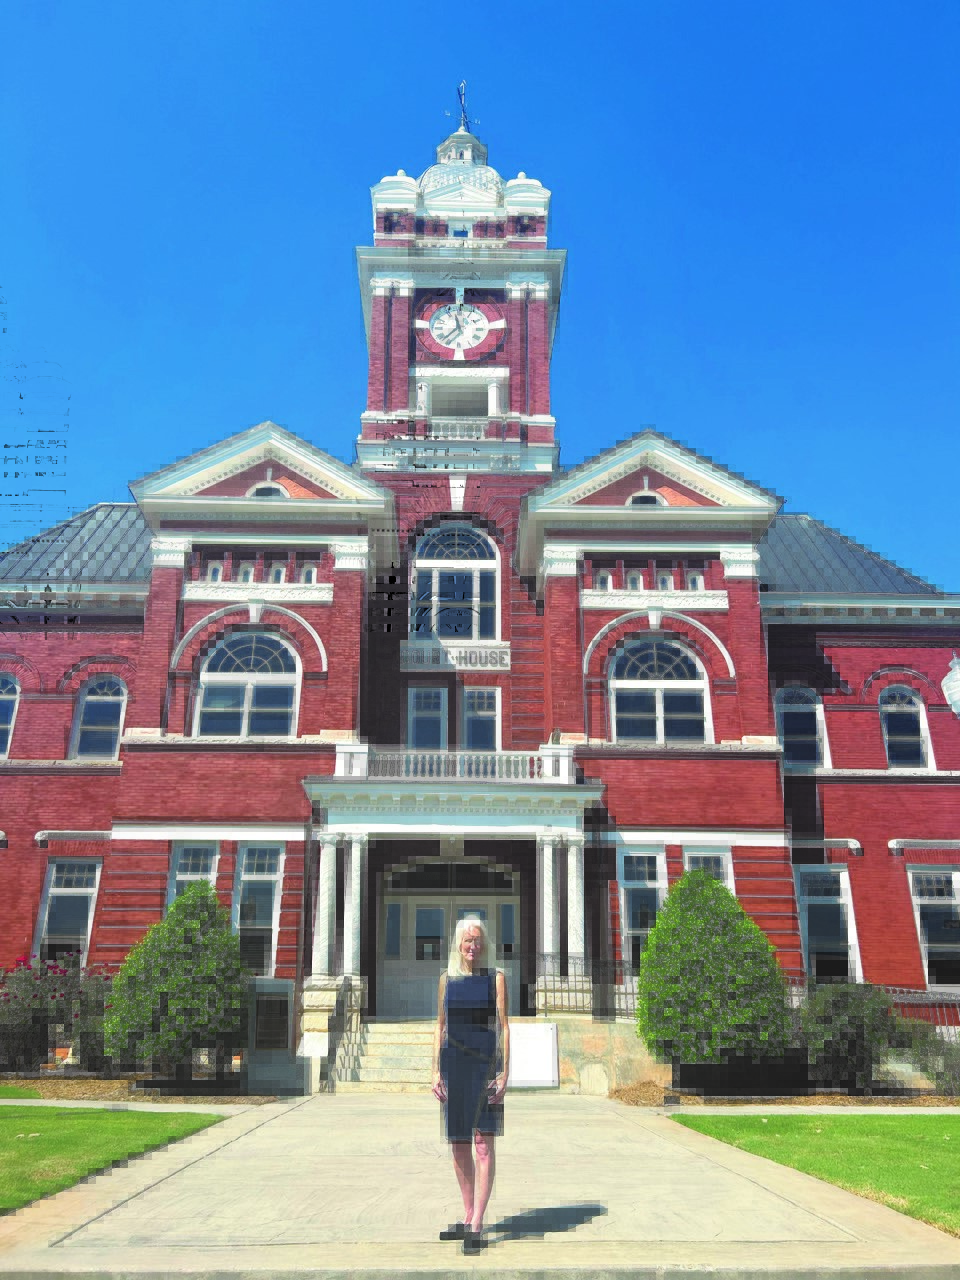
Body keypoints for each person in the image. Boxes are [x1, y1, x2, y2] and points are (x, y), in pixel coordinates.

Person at [431, 914, 509, 1254]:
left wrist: (504, 1072)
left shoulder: (496, 978)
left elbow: (504, 1026)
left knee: (482, 1145)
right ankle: (467, 1215)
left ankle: (477, 1223)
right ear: (458, 944)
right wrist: (435, 1070)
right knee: (459, 1144)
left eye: (477, 940)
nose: (472, 946)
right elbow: (440, 1026)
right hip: (454, 1066)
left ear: (484, 944)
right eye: (467, 940)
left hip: (485, 1067)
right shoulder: (446, 980)